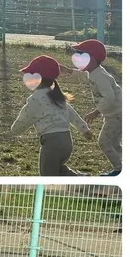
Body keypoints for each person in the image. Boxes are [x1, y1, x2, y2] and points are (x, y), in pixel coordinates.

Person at [12, 55, 91, 175]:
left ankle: (80, 180)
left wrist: (14, 130)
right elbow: (72, 114)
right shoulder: (58, 97)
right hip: (66, 142)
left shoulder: (35, 99)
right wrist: (84, 129)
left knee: (47, 174)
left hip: (52, 143)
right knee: (57, 170)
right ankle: (78, 178)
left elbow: (25, 118)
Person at [71, 38, 122, 176]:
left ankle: (118, 170)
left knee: (104, 142)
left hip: (117, 114)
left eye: (82, 55)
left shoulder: (100, 76)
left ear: (92, 58)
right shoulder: (92, 72)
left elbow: (109, 97)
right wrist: (66, 71)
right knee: (115, 144)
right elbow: (82, 76)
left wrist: (96, 112)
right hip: (114, 114)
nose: (78, 58)